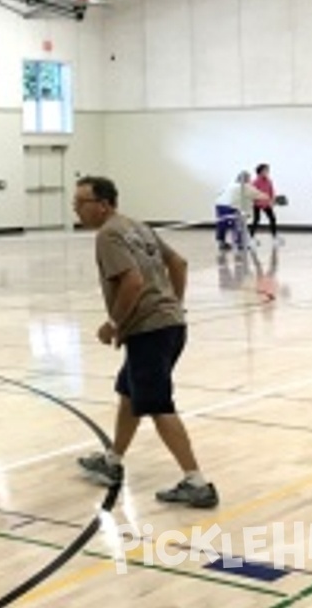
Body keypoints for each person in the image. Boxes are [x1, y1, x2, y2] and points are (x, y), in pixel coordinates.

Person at [72, 176, 218, 509]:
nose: (77, 210)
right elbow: (178, 263)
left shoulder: (109, 234)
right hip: (170, 327)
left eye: (82, 203)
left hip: (149, 331)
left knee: (156, 405)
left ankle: (196, 481)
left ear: (104, 205)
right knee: (129, 392)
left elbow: (133, 281)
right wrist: (174, 306)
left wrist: (114, 323)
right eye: (75, 204)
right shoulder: (137, 226)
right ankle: (113, 460)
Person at [214, 171, 268, 252]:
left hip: (219, 205)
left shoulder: (230, 185)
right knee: (239, 224)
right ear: (247, 179)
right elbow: (261, 196)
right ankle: (240, 244)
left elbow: (220, 194)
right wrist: (273, 198)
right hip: (231, 207)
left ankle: (221, 242)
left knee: (222, 224)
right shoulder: (246, 187)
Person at [249, 164, 280, 246]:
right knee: (256, 220)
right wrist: (259, 199)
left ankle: (274, 237)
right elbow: (253, 193)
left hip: (266, 204)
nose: (267, 172)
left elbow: (271, 191)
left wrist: (272, 200)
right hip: (257, 204)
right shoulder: (255, 182)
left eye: (267, 170)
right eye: (265, 170)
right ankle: (250, 238)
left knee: (272, 219)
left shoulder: (269, 181)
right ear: (260, 172)